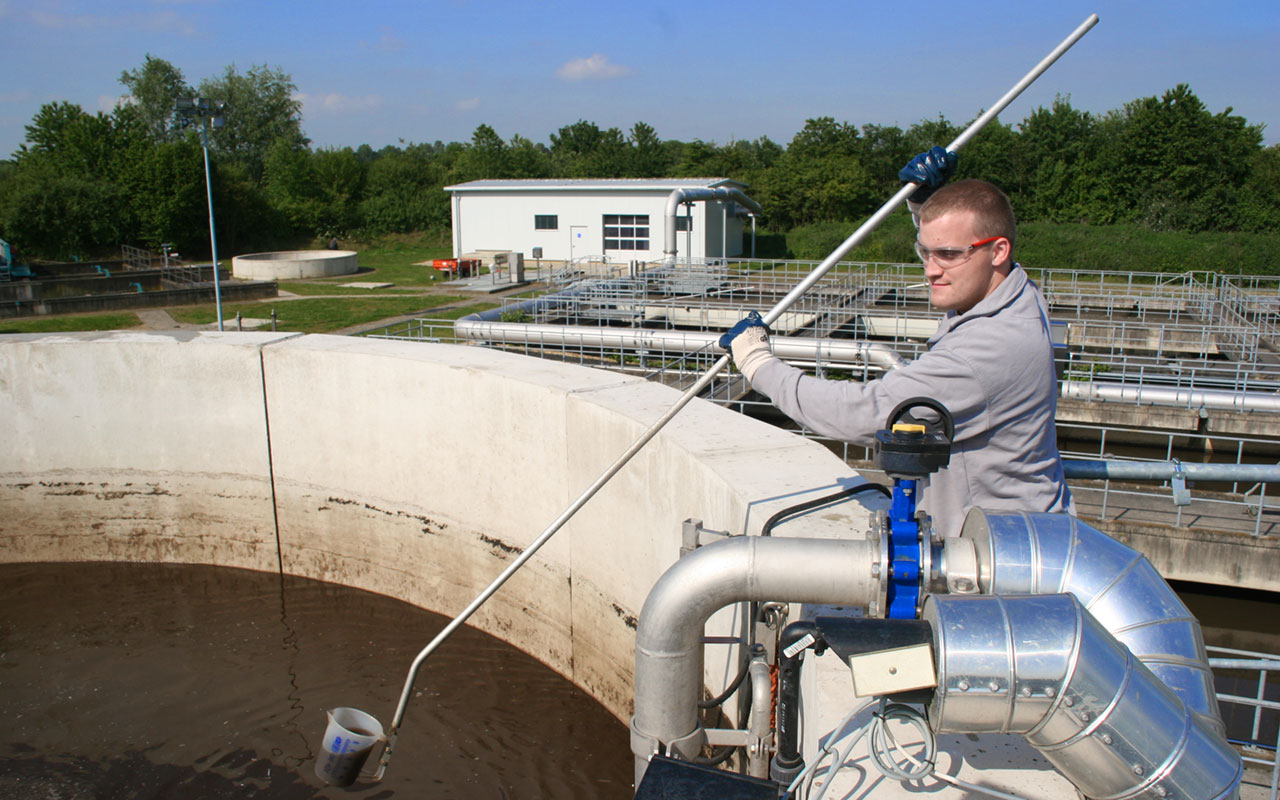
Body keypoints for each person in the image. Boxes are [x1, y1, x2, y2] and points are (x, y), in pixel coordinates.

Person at [720, 149, 1072, 538]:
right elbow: (966, 255)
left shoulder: (987, 350)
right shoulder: (1018, 294)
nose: (932, 269)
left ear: (999, 251)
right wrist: (925, 205)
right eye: (925, 251)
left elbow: (862, 413)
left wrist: (757, 363)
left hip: (997, 557)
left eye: (949, 254)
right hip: (1023, 530)